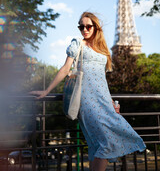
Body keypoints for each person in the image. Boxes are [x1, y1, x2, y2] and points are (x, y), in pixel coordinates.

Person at [31, 12, 146, 171]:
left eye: (88, 26)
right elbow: (65, 69)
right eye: (81, 26)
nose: (84, 29)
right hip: (86, 100)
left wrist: (112, 102)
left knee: (96, 145)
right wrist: (46, 91)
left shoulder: (103, 49)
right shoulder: (77, 43)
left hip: (103, 100)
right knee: (106, 142)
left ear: (96, 27)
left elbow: (102, 80)